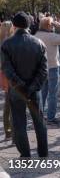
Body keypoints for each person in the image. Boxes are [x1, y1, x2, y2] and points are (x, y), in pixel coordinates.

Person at [1, 12, 48, 157]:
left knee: (19, 122)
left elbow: (7, 69)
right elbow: (43, 70)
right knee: (39, 121)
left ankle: (25, 154)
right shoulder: (39, 43)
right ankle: (43, 152)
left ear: (14, 26)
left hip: (17, 89)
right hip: (33, 89)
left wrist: (21, 86)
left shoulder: (7, 44)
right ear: (28, 25)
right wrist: (32, 86)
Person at [34, 17, 60, 124]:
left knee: (42, 93)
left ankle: (39, 115)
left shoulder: (36, 36)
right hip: (52, 67)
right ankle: (51, 117)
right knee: (53, 94)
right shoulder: (51, 36)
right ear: (50, 26)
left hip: (40, 69)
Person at [0, 21, 14, 139]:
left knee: (7, 105)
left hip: (4, 74)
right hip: (12, 75)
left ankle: (8, 132)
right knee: (14, 105)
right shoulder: (11, 41)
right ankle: (12, 132)